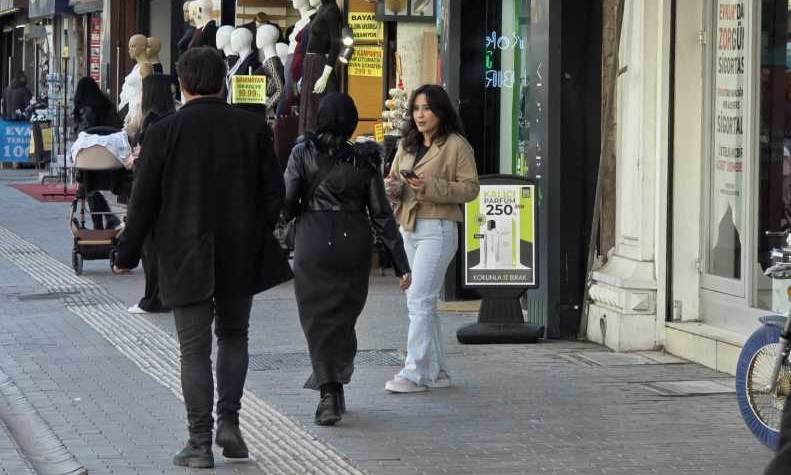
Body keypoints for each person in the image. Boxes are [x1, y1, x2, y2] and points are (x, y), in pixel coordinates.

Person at [114, 47, 292, 469]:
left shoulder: (163, 132)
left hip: (184, 253)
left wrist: (126, 253)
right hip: (239, 251)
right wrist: (255, 229)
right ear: (223, 82)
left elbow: (142, 202)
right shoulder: (251, 128)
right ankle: (230, 422)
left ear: (183, 84)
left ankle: (199, 443)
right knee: (234, 336)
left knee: (193, 351)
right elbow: (275, 194)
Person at [284, 93, 411, 426]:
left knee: (316, 320)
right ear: (353, 122)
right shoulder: (365, 159)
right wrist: (401, 263)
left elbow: (287, 203)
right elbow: (381, 214)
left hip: (313, 241)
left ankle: (328, 394)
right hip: (352, 242)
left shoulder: (302, 153)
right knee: (343, 319)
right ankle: (335, 385)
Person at [384, 84, 480, 393]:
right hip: (409, 227)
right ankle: (437, 372)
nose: (420, 115)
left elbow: (470, 188)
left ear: (440, 111)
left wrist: (430, 186)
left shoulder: (456, 145)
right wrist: (393, 188)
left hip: (437, 227)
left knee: (420, 300)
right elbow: (394, 178)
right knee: (421, 302)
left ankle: (414, 372)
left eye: (426, 108)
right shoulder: (407, 144)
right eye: (416, 108)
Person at [126, 74, 176, 315]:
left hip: (153, 193)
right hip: (171, 193)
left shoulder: (153, 123)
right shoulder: (174, 119)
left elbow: (149, 162)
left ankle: (154, 298)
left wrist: (135, 161)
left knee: (151, 248)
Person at [72, 77, 124, 230]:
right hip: (112, 160)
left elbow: (83, 135)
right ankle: (108, 219)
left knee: (88, 184)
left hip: (92, 160)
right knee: (90, 184)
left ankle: (102, 222)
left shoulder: (87, 110)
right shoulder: (107, 106)